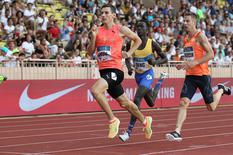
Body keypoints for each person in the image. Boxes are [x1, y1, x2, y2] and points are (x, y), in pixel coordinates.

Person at [87, 4, 152, 139]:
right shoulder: (97, 31)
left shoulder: (121, 29)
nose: (103, 15)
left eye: (106, 13)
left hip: (116, 70)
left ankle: (113, 120)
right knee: (125, 103)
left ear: (113, 15)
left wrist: (129, 53)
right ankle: (145, 121)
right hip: (104, 72)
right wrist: (93, 37)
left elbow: (137, 40)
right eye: (101, 13)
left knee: (95, 90)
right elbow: (90, 52)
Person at [165, 12, 231, 142]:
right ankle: (177, 131)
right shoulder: (186, 39)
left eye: (187, 21)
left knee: (211, 107)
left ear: (194, 22)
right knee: (183, 102)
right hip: (190, 76)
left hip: (202, 75)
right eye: (184, 21)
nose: (184, 23)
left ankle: (221, 89)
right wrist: (183, 64)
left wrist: (194, 63)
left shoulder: (200, 36)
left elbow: (211, 54)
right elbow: (190, 57)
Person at [119, 21, 168, 142]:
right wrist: (130, 67)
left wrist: (155, 63)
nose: (139, 29)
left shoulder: (152, 43)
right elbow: (126, 58)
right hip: (138, 76)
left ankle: (128, 132)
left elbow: (165, 58)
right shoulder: (131, 43)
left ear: (147, 30)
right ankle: (161, 80)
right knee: (151, 102)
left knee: (136, 100)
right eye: (137, 27)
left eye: (142, 27)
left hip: (148, 75)